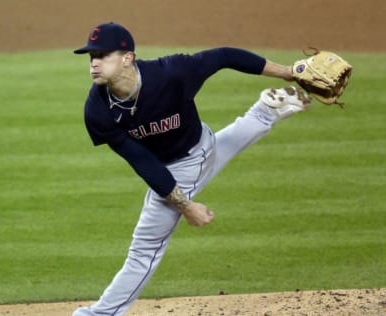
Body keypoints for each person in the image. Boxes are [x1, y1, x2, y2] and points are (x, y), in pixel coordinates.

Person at [72, 22, 311, 316]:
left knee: (145, 248)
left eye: (103, 54)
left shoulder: (171, 73)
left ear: (127, 57)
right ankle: (265, 112)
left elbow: (223, 56)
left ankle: (99, 315)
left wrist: (288, 72)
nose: (94, 62)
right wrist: (186, 204)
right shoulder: (97, 110)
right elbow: (142, 162)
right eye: (91, 56)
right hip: (187, 156)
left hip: (191, 157)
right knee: (221, 149)